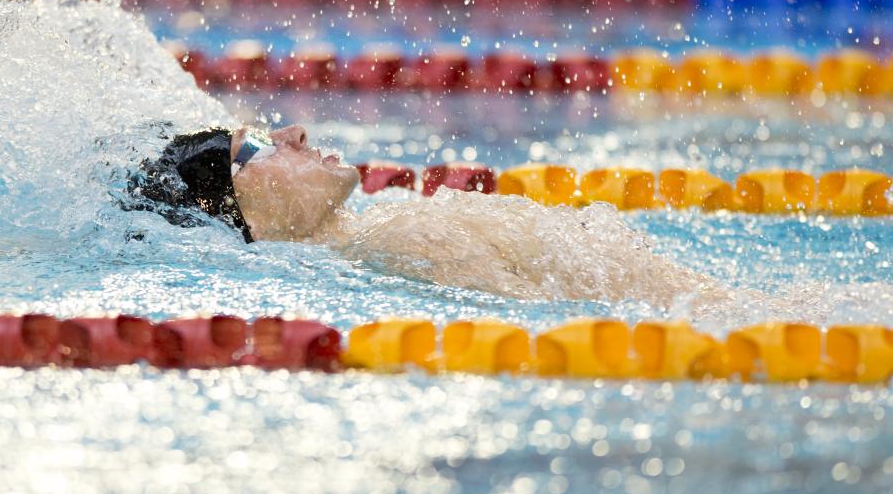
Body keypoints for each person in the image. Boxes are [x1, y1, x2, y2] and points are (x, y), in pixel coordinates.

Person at [128, 124, 750, 313]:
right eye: (257, 149)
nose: (292, 131)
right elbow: (552, 312)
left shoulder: (381, 237)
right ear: (248, 214)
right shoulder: (399, 236)